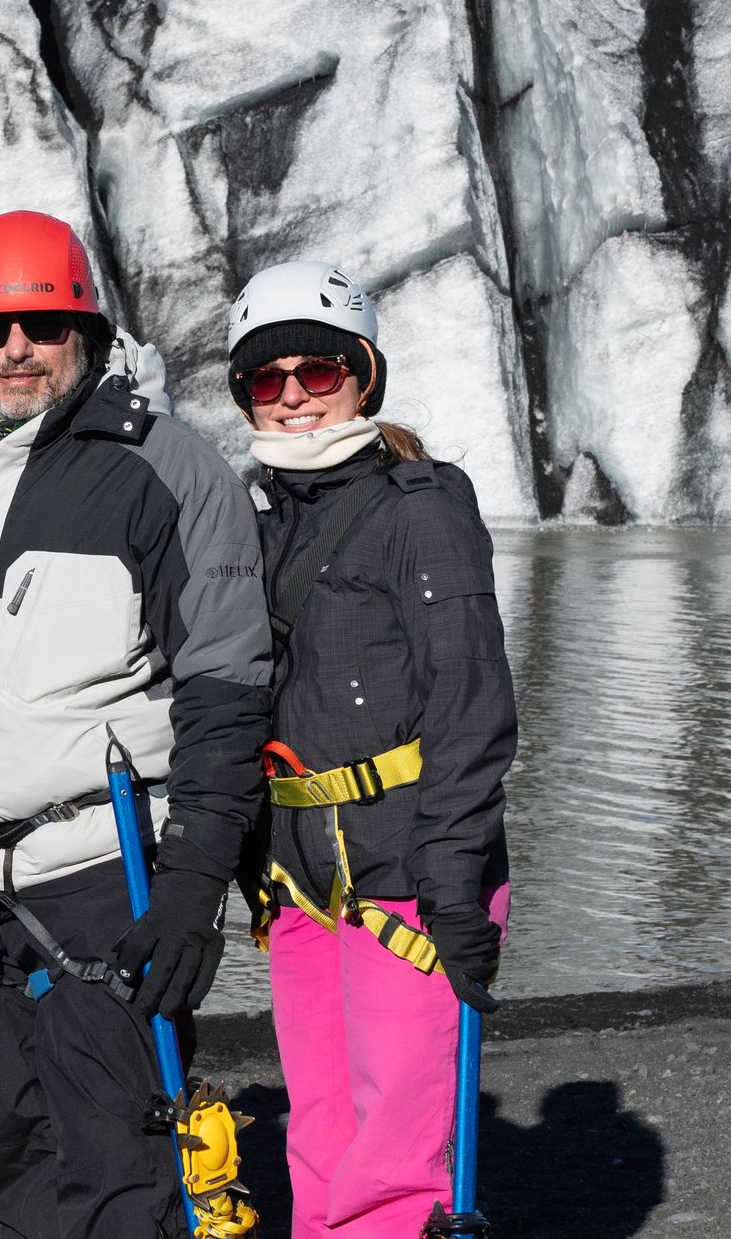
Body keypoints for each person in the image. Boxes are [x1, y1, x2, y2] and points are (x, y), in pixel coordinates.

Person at [0, 210, 273, 1239]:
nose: (17, 350)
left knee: (121, 1167)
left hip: (108, 874)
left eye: (43, 325)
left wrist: (192, 885)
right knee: (4, 1153)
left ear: (85, 328)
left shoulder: (168, 470)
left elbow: (226, 691)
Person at [226, 259, 517, 1239]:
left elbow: (471, 708)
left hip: (406, 873)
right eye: (268, 379)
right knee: (320, 1130)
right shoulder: (265, 526)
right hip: (303, 879)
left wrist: (454, 879)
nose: (296, 396)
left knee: (394, 1154)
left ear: (364, 375)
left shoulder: (422, 506)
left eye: (319, 371)